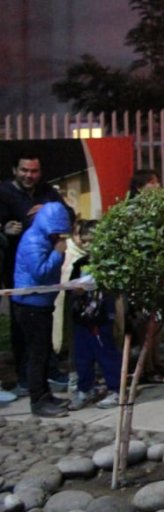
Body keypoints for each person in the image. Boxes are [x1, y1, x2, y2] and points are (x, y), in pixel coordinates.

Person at [2, 150, 71, 397]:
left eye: (34, 171)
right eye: (24, 170)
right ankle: (28, 378)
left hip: (44, 271)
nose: (29, 176)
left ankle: (47, 372)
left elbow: (67, 214)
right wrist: (4, 228)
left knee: (42, 326)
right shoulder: (4, 192)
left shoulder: (47, 191)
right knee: (24, 325)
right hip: (17, 267)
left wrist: (49, 210)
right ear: (15, 170)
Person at [12, 201, 72, 418]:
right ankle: (38, 400)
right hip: (30, 305)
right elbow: (40, 272)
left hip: (41, 303)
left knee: (44, 352)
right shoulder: (33, 240)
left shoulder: (44, 238)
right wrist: (57, 253)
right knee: (37, 355)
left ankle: (45, 395)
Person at [64, 220, 122, 410]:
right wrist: (75, 290)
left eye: (92, 241)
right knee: (82, 355)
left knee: (106, 353)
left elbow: (115, 289)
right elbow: (70, 286)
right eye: (85, 241)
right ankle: (85, 389)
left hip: (101, 316)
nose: (88, 245)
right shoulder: (80, 263)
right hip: (82, 316)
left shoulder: (110, 264)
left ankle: (115, 389)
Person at [123, 168, 164, 385]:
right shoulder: (132, 212)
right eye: (152, 182)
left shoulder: (159, 210)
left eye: (157, 182)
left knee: (157, 321)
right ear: (139, 187)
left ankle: (155, 360)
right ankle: (147, 367)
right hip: (142, 275)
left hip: (158, 272)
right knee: (146, 323)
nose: (157, 186)